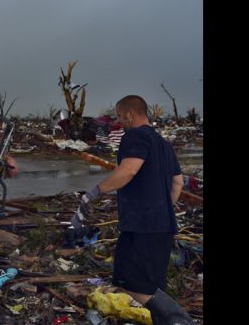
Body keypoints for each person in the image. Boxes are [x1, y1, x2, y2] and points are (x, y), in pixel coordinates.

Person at [71, 95, 194, 325]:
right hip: (163, 225)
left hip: (141, 226)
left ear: (130, 113)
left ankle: (181, 321)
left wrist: (95, 192)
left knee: (129, 281)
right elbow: (178, 182)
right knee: (153, 285)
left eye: (119, 116)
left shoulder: (135, 136)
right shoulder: (163, 144)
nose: (119, 121)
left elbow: (128, 171)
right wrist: (162, 208)